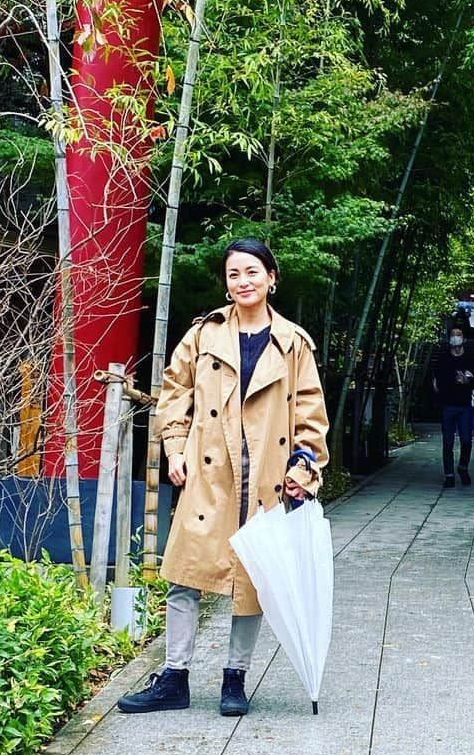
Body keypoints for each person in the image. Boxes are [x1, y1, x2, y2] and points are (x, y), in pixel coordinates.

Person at [118, 239, 328, 717]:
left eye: (252, 272)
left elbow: (310, 416)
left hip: (266, 478)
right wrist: (175, 447)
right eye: (234, 274)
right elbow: (174, 394)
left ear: (272, 278)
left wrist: (303, 470)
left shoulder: (293, 343)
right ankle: (174, 677)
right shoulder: (203, 335)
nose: (243, 282)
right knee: (183, 575)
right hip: (208, 471)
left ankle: (235, 679)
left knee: (252, 581)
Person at [431, 323, 474, 487]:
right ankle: (449, 475)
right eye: (453, 334)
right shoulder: (443, 359)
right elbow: (438, 381)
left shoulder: (471, 359)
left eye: (458, 334)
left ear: (464, 338)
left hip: (465, 405)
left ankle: (463, 467)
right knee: (447, 442)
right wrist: (453, 381)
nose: (455, 337)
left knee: (467, 440)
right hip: (448, 404)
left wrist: (468, 381)